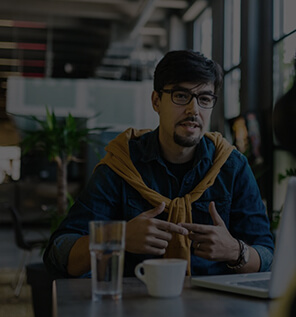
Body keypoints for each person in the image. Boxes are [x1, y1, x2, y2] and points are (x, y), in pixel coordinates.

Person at [43, 50, 274, 279]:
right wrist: (119, 237)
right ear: (156, 101)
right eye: (181, 96)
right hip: (135, 307)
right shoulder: (123, 165)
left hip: (217, 308)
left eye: (204, 99)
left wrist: (235, 251)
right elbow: (59, 252)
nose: (194, 110)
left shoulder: (232, 167)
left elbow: (267, 256)